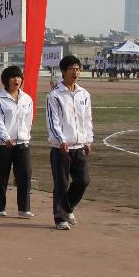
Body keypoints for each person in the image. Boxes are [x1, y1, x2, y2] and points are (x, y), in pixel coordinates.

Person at [46, 55, 93, 230]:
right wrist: (60, 140)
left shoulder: (84, 94)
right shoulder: (55, 95)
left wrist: (88, 140)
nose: (75, 72)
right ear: (63, 72)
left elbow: (87, 119)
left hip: (79, 146)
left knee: (83, 180)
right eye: (72, 69)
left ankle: (68, 208)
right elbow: (53, 121)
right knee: (61, 183)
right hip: (61, 148)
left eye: (78, 69)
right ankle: (60, 218)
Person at [0, 65, 34, 217]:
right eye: (13, 77)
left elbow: (28, 120)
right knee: (2, 176)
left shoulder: (26, 99)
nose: (16, 80)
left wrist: (25, 135)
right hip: (4, 144)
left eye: (19, 77)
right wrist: (5, 138)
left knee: (24, 175)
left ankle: (24, 209)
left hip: (22, 143)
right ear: (6, 80)